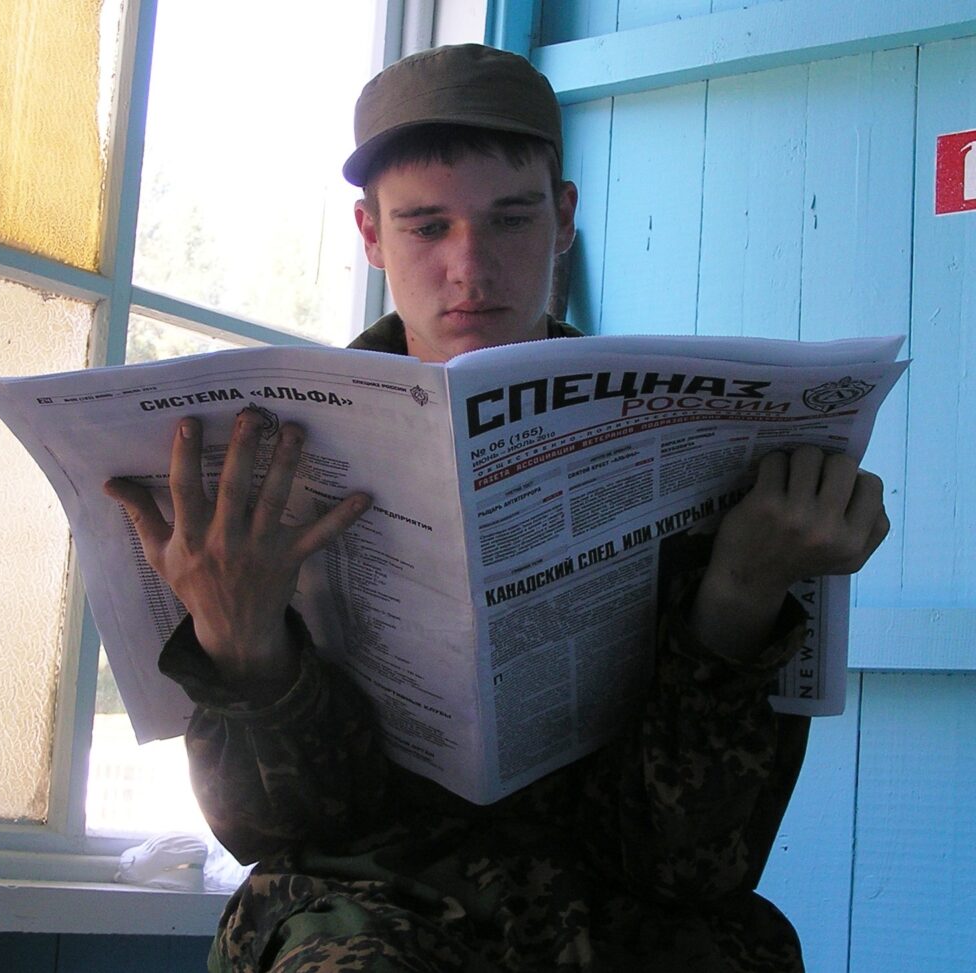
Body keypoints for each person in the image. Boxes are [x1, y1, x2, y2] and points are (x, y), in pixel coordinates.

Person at [106, 44, 889, 972]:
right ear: (369, 233)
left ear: (563, 218)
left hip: (621, 918)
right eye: (426, 226)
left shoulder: (682, 432)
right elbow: (278, 833)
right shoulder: (274, 449)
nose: (469, 267)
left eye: (510, 218)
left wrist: (741, 595)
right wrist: (241, 645)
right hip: (363, 918)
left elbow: (687, 862)